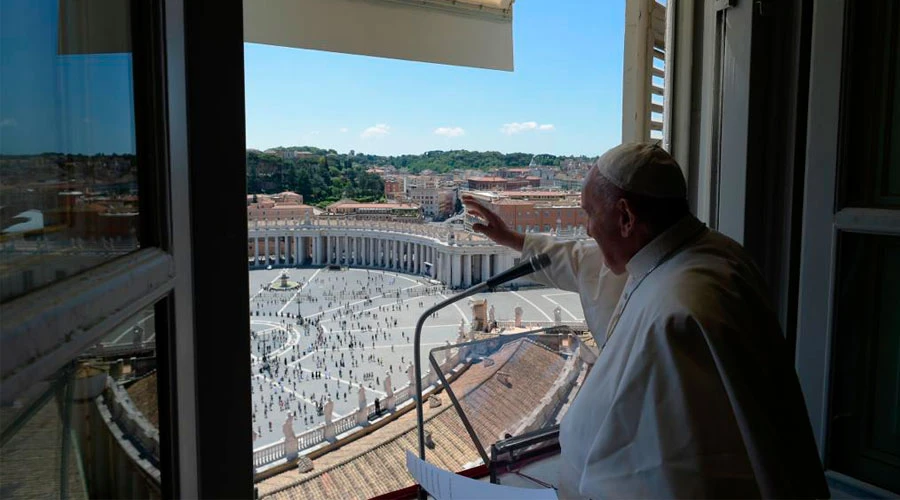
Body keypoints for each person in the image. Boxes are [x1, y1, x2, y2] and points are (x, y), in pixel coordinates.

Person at [462, 142, 828, 499]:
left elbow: (664, 470)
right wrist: (511, 238)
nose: (586, 229)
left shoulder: (679, 313)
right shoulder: (697, 253)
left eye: (589, 214)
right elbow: (583, 259)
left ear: (625, 217)